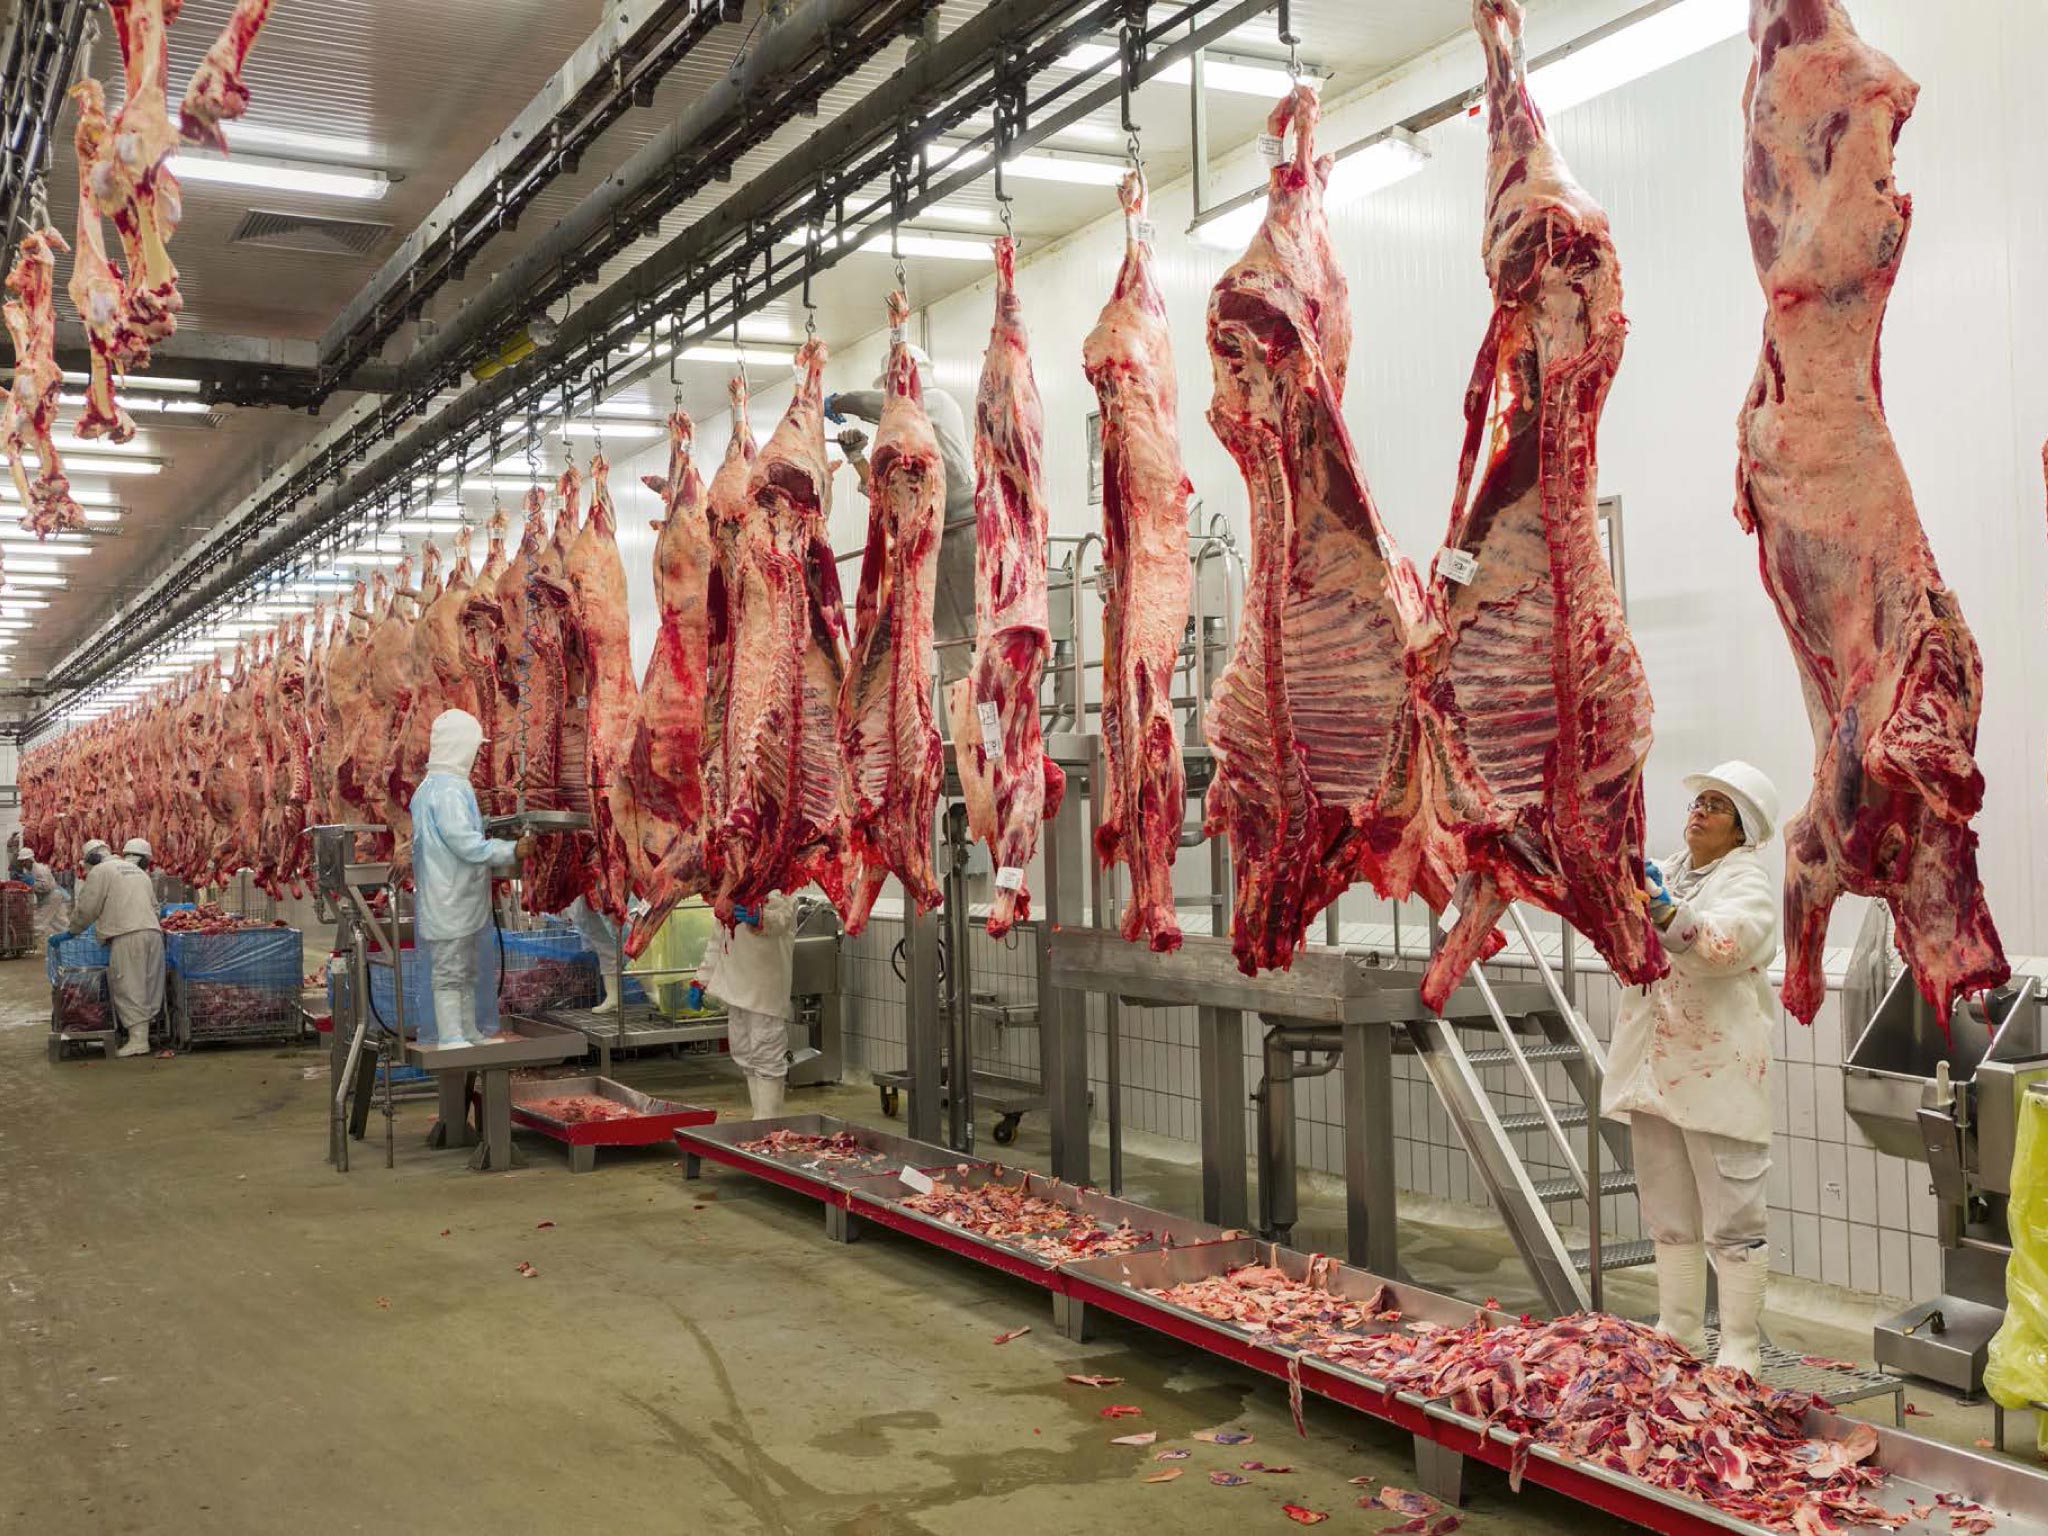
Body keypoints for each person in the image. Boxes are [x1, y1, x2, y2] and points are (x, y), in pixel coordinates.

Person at [1608, 761, 1783, 1376]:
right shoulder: (1675, 869)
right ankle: (1678, 1330)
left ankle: (1739, 1345)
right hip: (1657, 1068)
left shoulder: (1748, 881)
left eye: (1716, 806)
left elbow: (1726, 945)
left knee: (1734, 1217)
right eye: (1698, 801)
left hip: (1716, 1070)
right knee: (1668, 1211)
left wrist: (1665, 914)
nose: (1698, 812)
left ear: (1741, 831)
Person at [826, 349, 975, 682]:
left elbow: (881, 405)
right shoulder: (895, 431)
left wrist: (841, 402)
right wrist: (857, 457)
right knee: (951, 647)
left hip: (965, 528)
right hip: (929, 540)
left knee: (977, 633)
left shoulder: (937, 402)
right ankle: (971, 733)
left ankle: (998, 725)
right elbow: (885, 494)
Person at [411, 710, 533, 1048]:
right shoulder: (445, 791)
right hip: (448, 897)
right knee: (450, 969)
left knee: (465, 969)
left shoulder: (443, 786)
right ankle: (451, 1035)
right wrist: (510, 851)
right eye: (474, 748)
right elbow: (464, 844)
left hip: (458, 896)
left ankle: (467, 1031)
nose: (477, 755)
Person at [696, 892, 797, 1119]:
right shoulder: (732, 890)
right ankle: (759, 1117)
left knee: (767, 1054)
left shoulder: (779, 888)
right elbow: (717, 939)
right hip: (735, 988)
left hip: (764, 990)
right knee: (744, 1052)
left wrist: (761, 917)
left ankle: (769, 1120)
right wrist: (701, 979)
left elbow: (783, 919)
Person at [69, 836, 164, 1059]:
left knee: (129, 984)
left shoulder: (101, 871)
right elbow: (155, 907)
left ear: (90, 859)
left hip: (126, 935)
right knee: (149, 984)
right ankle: (143, 1034)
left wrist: (72, 930)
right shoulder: (140, 874)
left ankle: (138, 1041)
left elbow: (87, 908)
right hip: (153, 933)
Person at [13, 844, 68, 940]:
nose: (23, 864)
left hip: (51, 897)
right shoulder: (29, 871)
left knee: (39, 922)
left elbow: (46, 886)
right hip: (46, 898)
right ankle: (67, 940)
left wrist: (32, 883)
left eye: (24, 861)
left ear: (30, 860)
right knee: (60, 923)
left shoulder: (40, 869)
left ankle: (29, 941)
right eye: (22, 862)